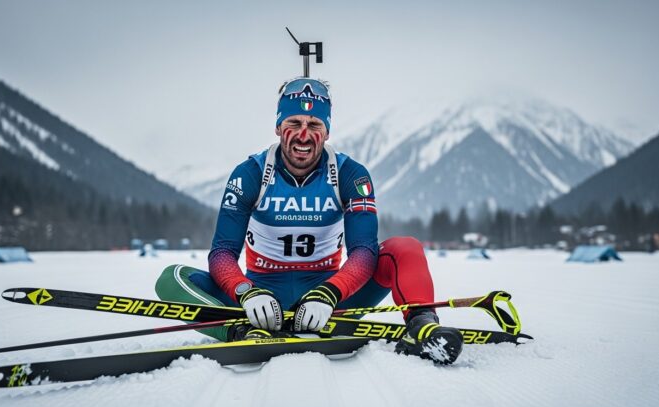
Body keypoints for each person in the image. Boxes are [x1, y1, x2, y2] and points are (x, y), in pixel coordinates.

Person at [155, 77, 463, 364]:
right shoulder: (250, 173)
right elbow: (222, 253)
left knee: (404, 247)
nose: (304, 135)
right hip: (260, 298)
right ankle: (239, 332)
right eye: (294, 123)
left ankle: (422, 326)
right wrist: (244, 291)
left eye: (314, 124)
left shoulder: (350, 175)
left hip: (331, 300)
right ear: (278, 126)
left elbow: (364, 253)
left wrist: (330, 292)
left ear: (327, 131)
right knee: (171, 278)